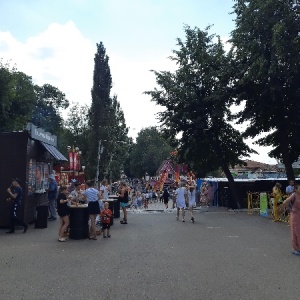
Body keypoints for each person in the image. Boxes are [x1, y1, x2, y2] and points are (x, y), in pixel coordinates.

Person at [279, 184, 300, 256]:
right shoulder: (294, 195)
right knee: (296, 232)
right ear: (296, 190)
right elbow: (285, 202)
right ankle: (295, 249)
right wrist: (290, 210)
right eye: (299, 188)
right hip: (295, 216)